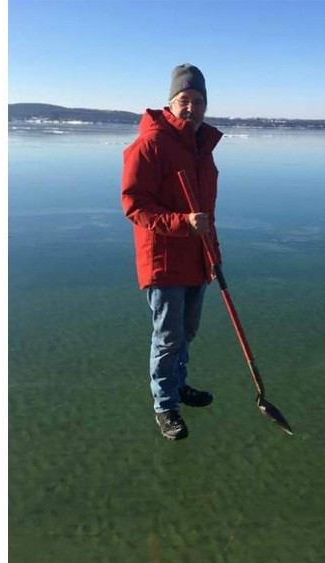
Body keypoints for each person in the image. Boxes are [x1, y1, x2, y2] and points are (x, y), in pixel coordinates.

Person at [121, 63, 224, 441]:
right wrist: (182, 224)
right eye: (185, 100)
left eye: (199, 101)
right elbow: (134, 204)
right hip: (163, 260)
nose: (192, 108)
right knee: (168, 337)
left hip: (197, 257)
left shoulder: (202, 148)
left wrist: (213, 252)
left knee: (187, 333)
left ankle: (178, 385)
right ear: (171, 102)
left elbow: (206, 214)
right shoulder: (151, 143)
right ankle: (165, 406)